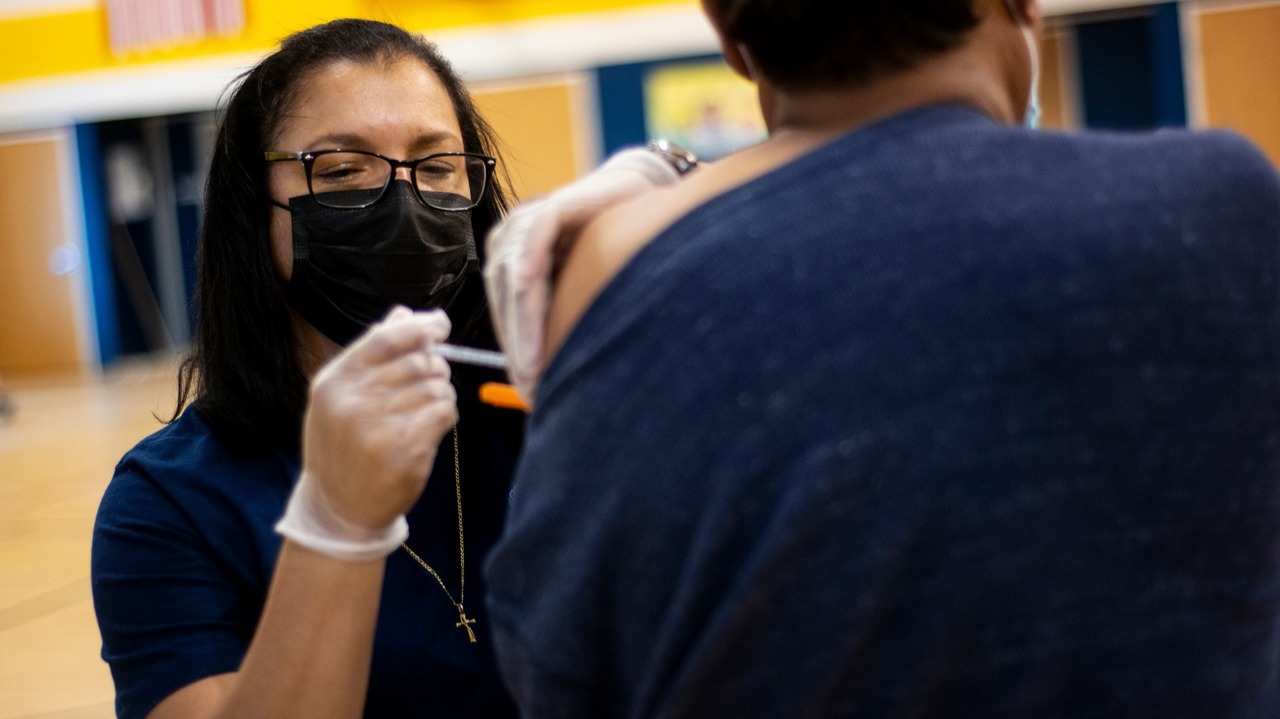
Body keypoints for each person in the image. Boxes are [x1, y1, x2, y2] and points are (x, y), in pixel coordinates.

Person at [478, 0, 1280, 716]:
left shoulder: (618, 294)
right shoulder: (1224, 205)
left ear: (726, 30)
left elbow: (558, 663)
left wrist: (662, 198)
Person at [91, 19, 524, 719]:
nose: (404, 199)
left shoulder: (537, 419)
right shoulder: (169, 502)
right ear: (253, 209)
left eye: (437, 165)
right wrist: (336, 523)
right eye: (344, 168)